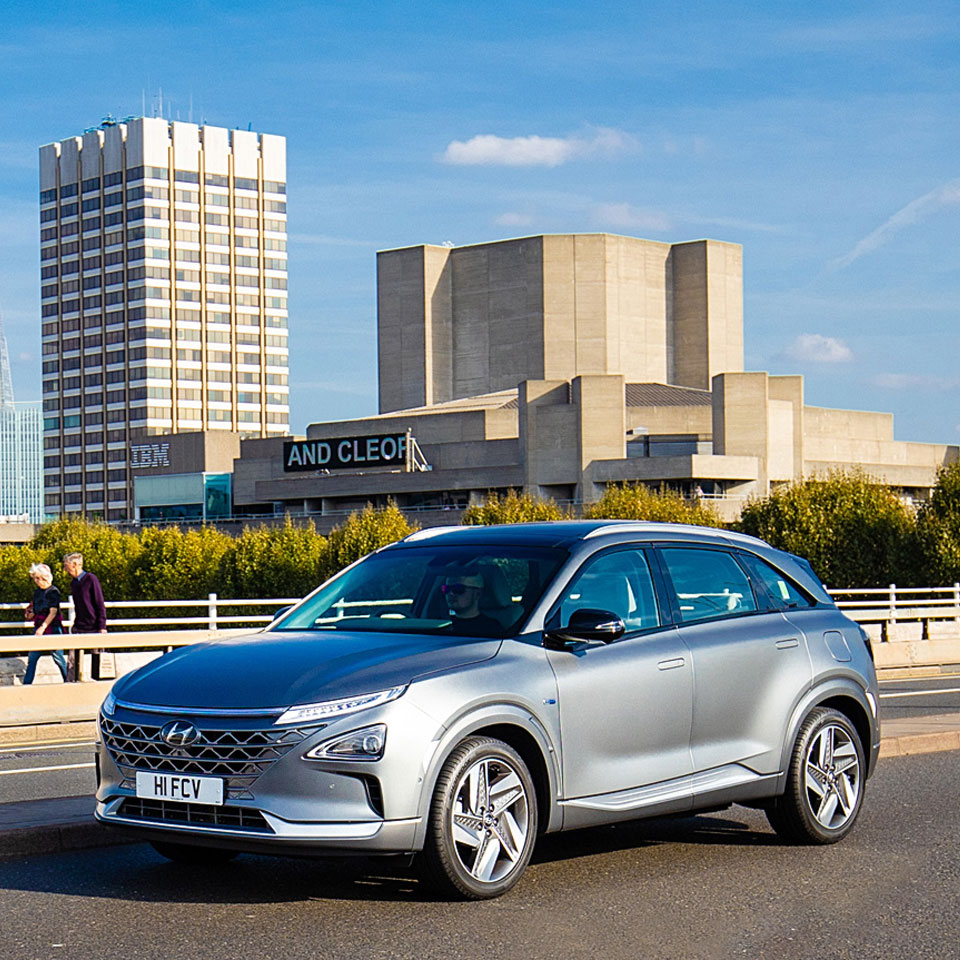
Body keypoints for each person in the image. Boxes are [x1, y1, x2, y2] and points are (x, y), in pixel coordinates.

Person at [63, 552, 108, 680]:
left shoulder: (91, 579)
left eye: (67, 566)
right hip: (79, 626)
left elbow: (99, 603)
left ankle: (99, 682)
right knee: (72, 660)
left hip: (94, 626)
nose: (65, 569)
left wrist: (102, 626)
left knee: (98, 661)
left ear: (75, 565)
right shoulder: (74, 583)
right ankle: (70, 683)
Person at [23, 563, 68, 684]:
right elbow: (37, 608)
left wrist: (42, 627)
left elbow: (53, 612)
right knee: (32, 658)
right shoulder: (37, 592)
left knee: (58, 657)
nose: (36, 581)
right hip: (39, 625)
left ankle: (68, 680)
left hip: (52, 627)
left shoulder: (53, 592)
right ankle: (27, 683)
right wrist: (30, 614)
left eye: (38, 578)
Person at [440, 567, 502, 637]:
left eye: (458, 589)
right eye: (446, 589)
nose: (450, 593)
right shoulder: (439, 625)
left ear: (478, 594)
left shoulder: (492, 628)